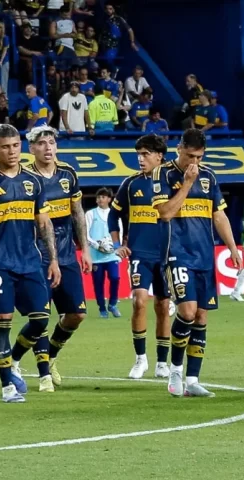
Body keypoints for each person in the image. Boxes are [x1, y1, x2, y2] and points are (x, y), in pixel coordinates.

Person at [0, 124, 61, 403]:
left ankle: (14, 360)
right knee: (3, 321)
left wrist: (53, 260)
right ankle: (8, 386)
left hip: (31, 262)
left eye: (16, 145)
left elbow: (44, 223)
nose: (12, 151)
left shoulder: (34, 181)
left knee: (40, 320)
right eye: (5, 147)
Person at [152, 128, 243, 398]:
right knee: (188, 311)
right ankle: (175, 370)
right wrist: (188, 183)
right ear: (179, 148)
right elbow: (165, 213)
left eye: (199, 157)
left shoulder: (209, 176)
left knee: (202, 315)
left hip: (204, 255)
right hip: (177, 252)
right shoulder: (162, 174)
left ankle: (192, 380)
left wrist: (232, 247)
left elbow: (219, 215)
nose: (194, 162)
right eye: (190, 156)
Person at [24, 126, 92, 391]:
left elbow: (77, 212)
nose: (48, 147)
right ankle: (43, 374)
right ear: (32, 148)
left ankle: (50, 354)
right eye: (42, 143)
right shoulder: (25, 177)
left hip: (66, 254)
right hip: (35, 255)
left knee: (77, 314)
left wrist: (85, 249)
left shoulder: (68, 173)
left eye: (51, 142)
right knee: (41, 314)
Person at [109, 134, 172, 379]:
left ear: (159, 156)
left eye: (146, 154)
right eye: (139, 154)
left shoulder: (171, 181)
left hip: (166, 254)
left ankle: (162, 362)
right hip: (139, 253)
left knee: (163, 306)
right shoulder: (131, 183)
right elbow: (113, 215)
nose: (140, 159)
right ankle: (140, 359)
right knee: (139, 301)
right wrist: (117, 244)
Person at [86, 188, 121, 319]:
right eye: (99, 197)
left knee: (115, 278)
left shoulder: (114, 214)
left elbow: (120, 231)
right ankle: (102, 309)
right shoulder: (90, 214)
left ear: (109, 199)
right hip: (96, 255)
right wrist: (97, 245)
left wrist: (116, 246)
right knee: (98, 283)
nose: (101, 199)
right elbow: (85, 234)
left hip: (112, 254)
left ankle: (112, 304)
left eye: (104, 197)